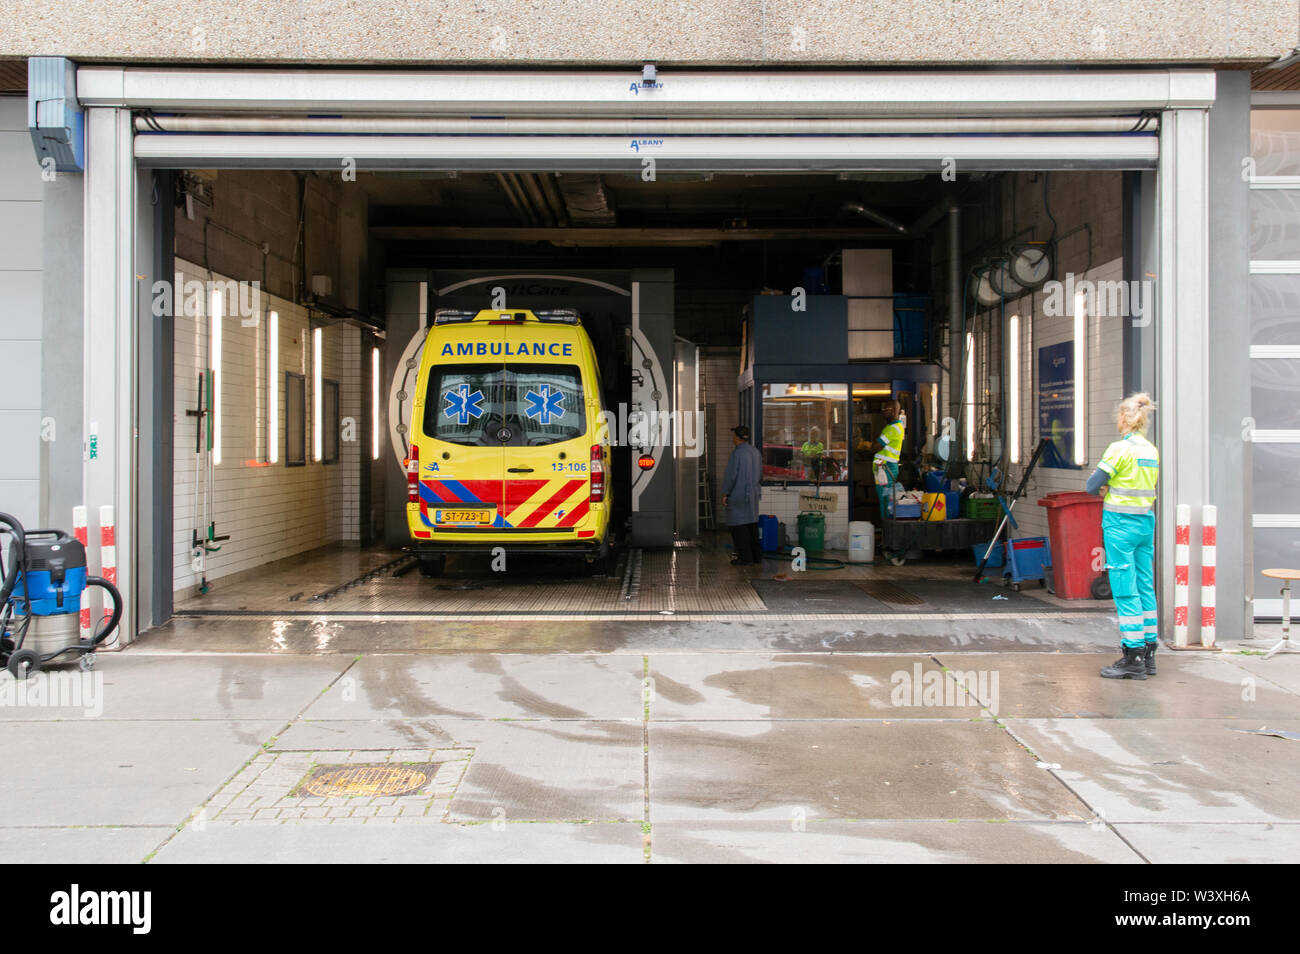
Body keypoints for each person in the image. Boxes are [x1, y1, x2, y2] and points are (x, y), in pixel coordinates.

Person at [1090, 393, 1160, 680]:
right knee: (1145, 585)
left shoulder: (1119, 449)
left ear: (1123, 418)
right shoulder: (1151, 450)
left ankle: (1132, 657)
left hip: (1120, 525)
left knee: (1124, 588)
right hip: (1145, 522)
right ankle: (1149, 653)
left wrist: (1104, 490)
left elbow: (1091, 484)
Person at [721, 424, 763, 566]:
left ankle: (745, 558)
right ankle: (756, 556)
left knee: (738, 527)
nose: (733, 438)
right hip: (753, 495)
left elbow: (731, 476)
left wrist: (726, 492)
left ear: (737, 438)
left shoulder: (737, 454)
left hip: (739, 495)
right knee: (752, 526)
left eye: (734, 435)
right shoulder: (756, 452)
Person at [872, 400, 905, 522]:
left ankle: (887, 530)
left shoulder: (893, 429)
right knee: (885, 500)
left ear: (893, 411)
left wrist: (872, 446)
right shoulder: (891, 427)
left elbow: (876, 446)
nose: (883, 413)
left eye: (886, 410)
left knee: (885, 501)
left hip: (886, 470)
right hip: (883, 469)